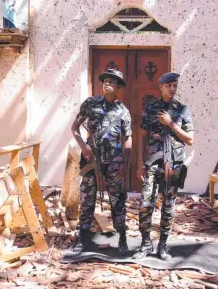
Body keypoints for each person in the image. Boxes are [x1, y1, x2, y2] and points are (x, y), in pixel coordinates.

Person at [70, 69, 132, 254]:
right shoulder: (90, 103)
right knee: (87, 198)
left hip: (114, 162)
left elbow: (128, 137)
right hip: (91, 158)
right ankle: (82, 236)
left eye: (112, 81)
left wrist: (125, 163)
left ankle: (122, 237)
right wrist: (83, 146)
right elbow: (74, 127)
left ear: (118, 86)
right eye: (105, 80)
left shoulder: (123, 111)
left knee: (118, 200)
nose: (107, 83)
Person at [133, 72, 194, 261]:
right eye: (168, 85)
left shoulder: (182, 110)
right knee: (145, 205)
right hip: (152, 163)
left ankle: (163, 246)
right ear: (160, 87)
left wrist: (171, 123)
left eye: (175, 85)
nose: (172, 89)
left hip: (173, 165)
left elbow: (190, 139)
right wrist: (139, 164)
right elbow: (142, 136)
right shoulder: (150, 108)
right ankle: (145, 244)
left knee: (168, 207)